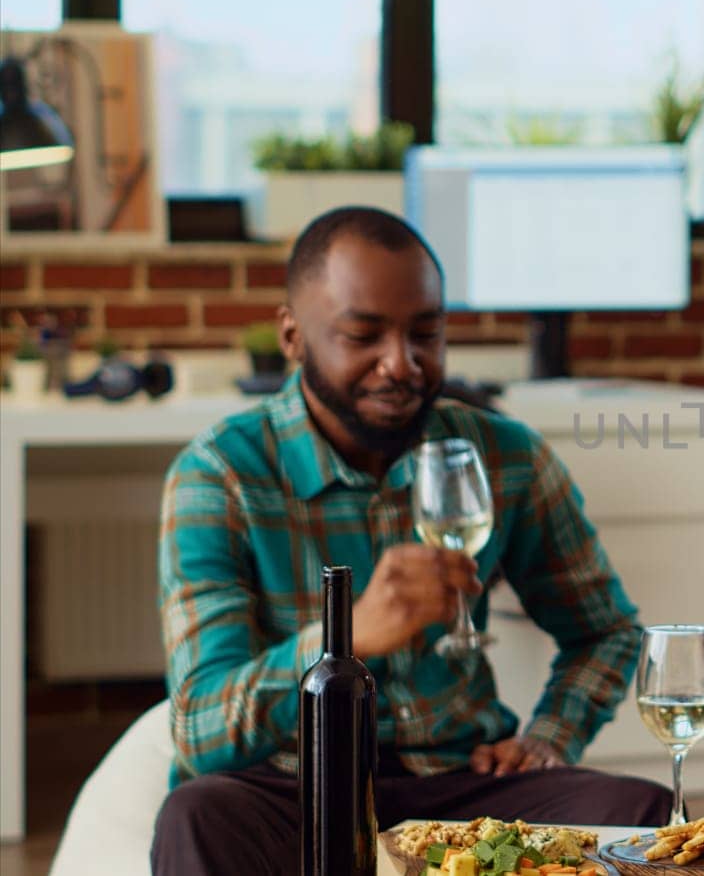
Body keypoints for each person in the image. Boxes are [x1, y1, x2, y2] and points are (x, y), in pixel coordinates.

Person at [152, 207, 670, 874]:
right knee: (196, 814)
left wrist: (549, 737)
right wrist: (350, 638)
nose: (402, 364)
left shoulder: (504, 455)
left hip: (461, 783)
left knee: (641, 816)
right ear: (292, 335)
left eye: (426, 333)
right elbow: (199, 727)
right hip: (291, 788)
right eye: (363, 335)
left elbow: (605, 631)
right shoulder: (218, 474)